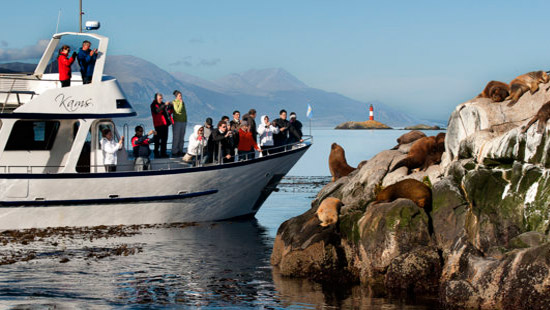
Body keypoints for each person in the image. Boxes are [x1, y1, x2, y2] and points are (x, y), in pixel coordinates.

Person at [150, 93, 173, 158]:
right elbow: (157, 111)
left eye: (162, 98)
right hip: (158, 124)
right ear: (156, 98)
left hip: (165, 124)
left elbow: (168, 112)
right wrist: (164, 105)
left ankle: (163, 153)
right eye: (160, 98)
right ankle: (156, 152)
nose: (161, 99)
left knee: (164, 139)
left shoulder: (163, 104)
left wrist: (171, 106)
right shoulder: (153, 105)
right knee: (157, 140)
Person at [169, 90, 187, 157]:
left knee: (182, 137)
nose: (181, 97)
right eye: (179, 96)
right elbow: (177, 110)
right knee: (176, 137)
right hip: (177, 121)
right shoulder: (174, 102)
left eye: (181, 95)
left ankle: (180, 150)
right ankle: (174, 151)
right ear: (176, 96)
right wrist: (181, 103)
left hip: (183, 121)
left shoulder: (182, 102)